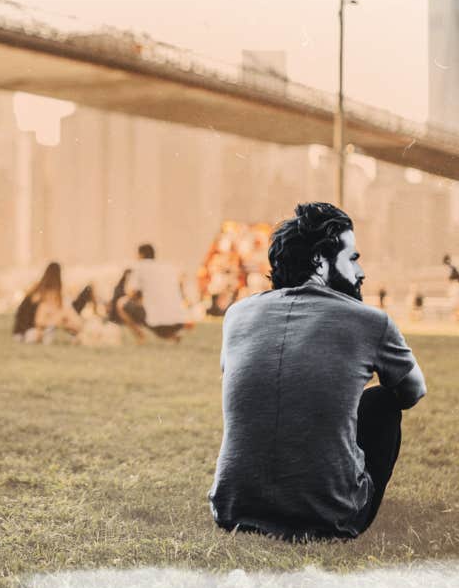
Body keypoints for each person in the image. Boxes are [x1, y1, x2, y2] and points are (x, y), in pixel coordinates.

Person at [209, 202, 426, 541]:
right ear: (319, 261)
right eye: (351, 259)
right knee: (383, 401)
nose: (360, 272)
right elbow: (412, 392)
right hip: (329, 518)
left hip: (234, 509)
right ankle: (334, 498)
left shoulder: (237, 314)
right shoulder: (371, 321)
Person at [116, 244, 188, 342]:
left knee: (121, 303)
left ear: (141, 255)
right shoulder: (167, 267)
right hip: (180, 322)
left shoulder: (139, 267)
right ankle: (172, 336)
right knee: (157, 311)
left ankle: (141, 337)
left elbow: (130, 293)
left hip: (158, 323)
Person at [12, 262, 82, 344]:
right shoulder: (41, 294)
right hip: (27, 332)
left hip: (19, 331)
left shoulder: (37, 289)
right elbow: (39, 321)